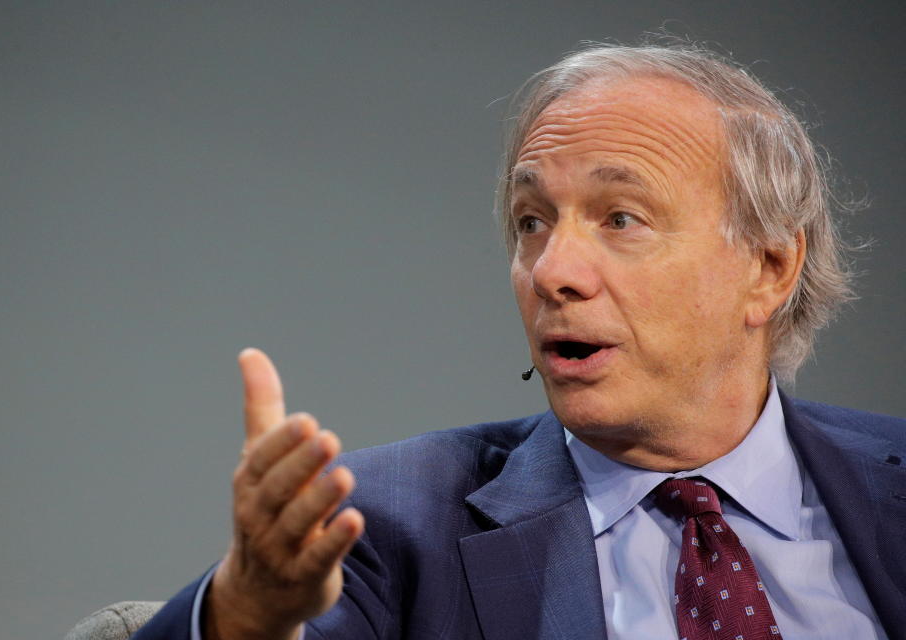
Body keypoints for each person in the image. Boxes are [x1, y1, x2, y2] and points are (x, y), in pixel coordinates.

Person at [105, 43, 905, 640]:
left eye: (620, 219)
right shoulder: (385, 525)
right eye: (532, 223)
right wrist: (245, 612)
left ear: (768, 269)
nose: (552, 270)